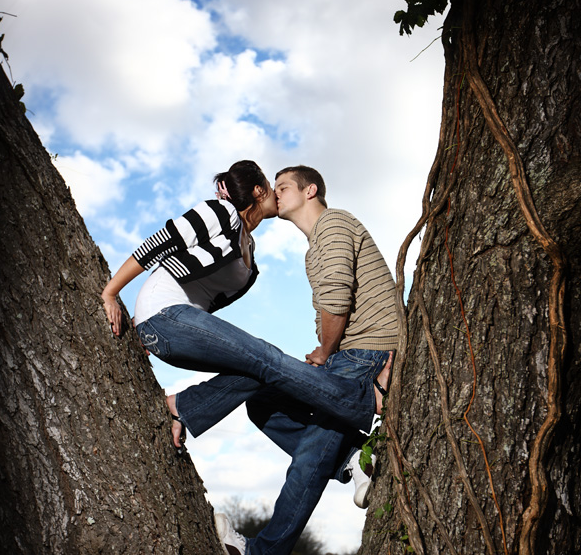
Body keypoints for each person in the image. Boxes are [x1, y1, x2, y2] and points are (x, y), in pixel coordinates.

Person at [190, 166, 399, 555]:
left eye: (283, 186)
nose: (275, 193)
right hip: (351, 356)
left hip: (365, 355)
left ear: (310, 190)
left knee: (306, 456)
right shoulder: (313, 247)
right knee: (263, 400)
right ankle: (357, 462)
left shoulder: (335, 223)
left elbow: (337, 298)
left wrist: (324, 351)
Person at [100, 160, 389, 456]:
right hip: (164, 315)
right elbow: (161, 242)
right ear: (258, 190)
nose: (277, 195)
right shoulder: (220, 212)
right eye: (272, 187)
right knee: (266, 357)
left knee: (257, 372)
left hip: (175, 325)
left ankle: (182, 407)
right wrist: (112, 293)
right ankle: (365, 400)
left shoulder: (249, 253)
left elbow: (200, 297)